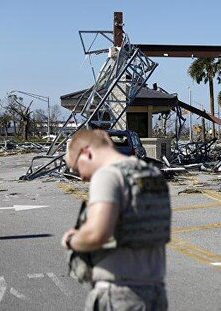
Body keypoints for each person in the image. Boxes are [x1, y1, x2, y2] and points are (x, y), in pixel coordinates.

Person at [61, 129, 171, 310]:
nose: (80, 176)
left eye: (76, 168)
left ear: (86, 153)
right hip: (155, 293)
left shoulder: (108, 176)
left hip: (119, 296)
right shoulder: (152, 174)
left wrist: (72, 240)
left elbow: (97, 234)